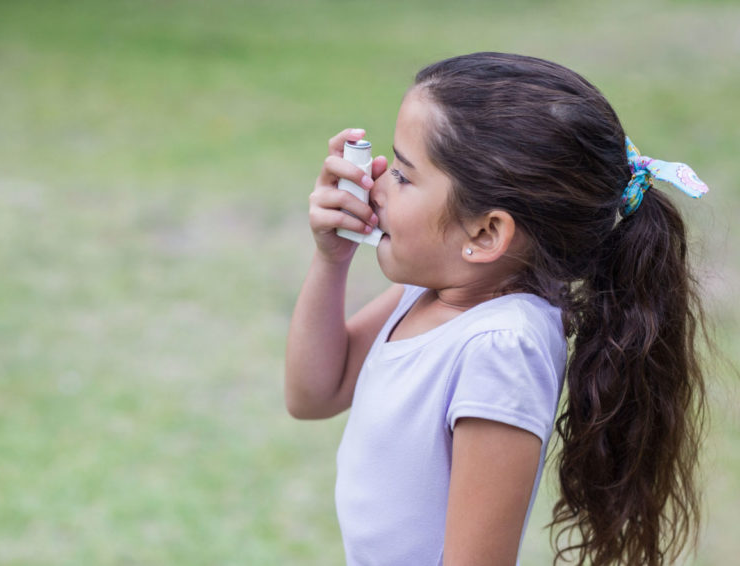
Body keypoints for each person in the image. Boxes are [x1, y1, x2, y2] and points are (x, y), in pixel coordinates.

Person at [285, 52, 710, 566]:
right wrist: (332, 260)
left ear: (485, 234)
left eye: (402, 174)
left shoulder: (501, 347)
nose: (374, 185)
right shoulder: (434, 293)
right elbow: (313, 394)